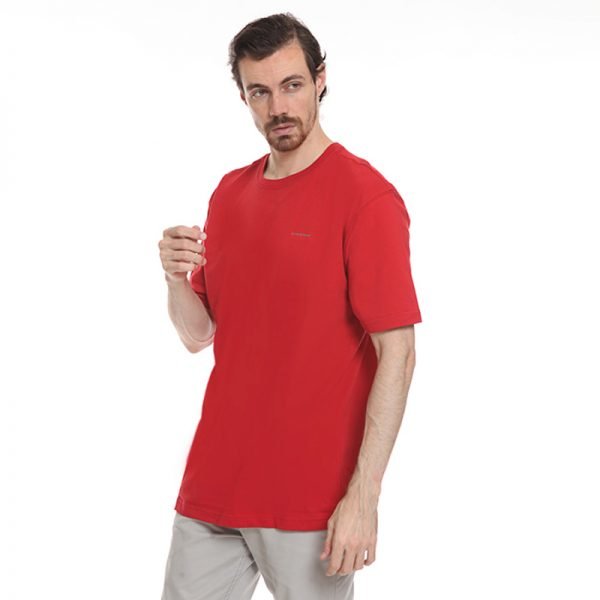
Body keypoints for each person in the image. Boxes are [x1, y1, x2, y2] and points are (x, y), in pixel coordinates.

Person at [157, 12, 423, 600]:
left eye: (292, 85)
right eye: (260, 91)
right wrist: (176, 280)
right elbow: (199, 335)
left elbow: (398, 354)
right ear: (244, 97)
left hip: (311, 502)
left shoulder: (366, 198)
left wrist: (364, 496)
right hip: (213, 489)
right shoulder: (229, 193)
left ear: (321, 79)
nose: (278, 107)